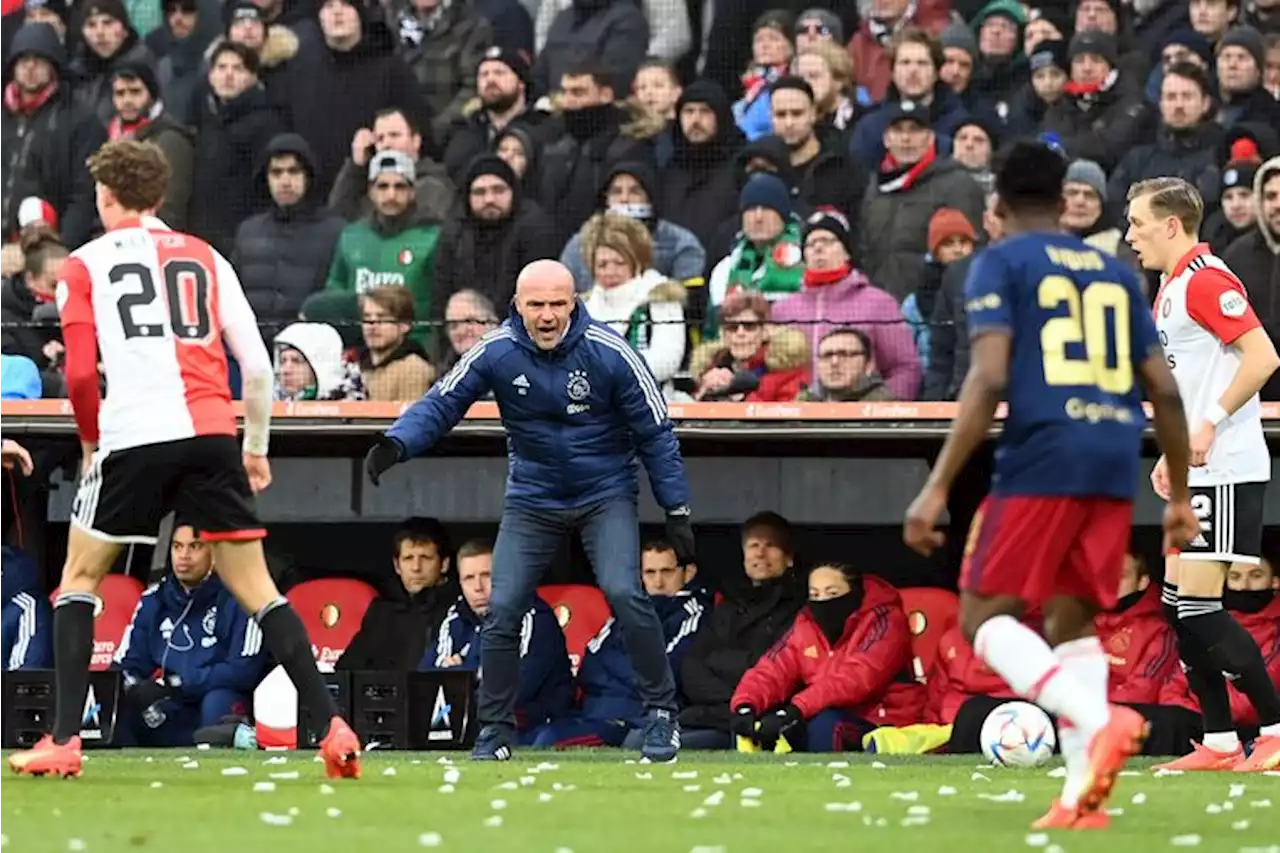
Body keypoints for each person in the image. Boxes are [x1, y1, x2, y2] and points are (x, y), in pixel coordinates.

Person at [5, 140, 361, 781]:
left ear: (106, 197)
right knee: (258, 589)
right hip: (209, 433)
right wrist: (254, 447)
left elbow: (82, 373)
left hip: (134, 435)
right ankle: (333, 726)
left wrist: (89, 440)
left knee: (79, 580)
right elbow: (256, 366)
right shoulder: (207, 256)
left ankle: (63, 740)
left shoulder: (82, 265)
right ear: (161, 197)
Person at [902, 141, 1200, 829]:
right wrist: (1180, 497)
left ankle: (1099, 719)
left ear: (996, 207)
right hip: (1111, 456)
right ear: (1065, 197)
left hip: (1043, 455)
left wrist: (938, 484)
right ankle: (1081, 795)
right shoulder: (1115, 272)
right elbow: (1164, 390)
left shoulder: (998, 261)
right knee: (1070, 617)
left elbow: (986, 376)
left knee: (981, 616)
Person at [363, 258, 694, 764]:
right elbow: (443, 401)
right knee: (502, 607)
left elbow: (656, 432)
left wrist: (677, 509)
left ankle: (662, 716)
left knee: (627, 592)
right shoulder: (496, 350)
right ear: (517, 305)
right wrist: (396, 444)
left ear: (574, 303)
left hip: (605, 494)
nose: (545, 315)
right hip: (533, 498)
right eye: (535, 304)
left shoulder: (611, 352)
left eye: (556, 304)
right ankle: (494, 732)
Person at [1125, 176, 1280, 772]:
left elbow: (1263, 356)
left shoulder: (1205, 280)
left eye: (1138, 223)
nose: (1131, 234)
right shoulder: (1169, 286)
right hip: (1197, 468)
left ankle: (1272, 727)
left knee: (1200, 610)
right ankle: (1218, 741)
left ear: (1170, 225)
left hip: (1227, 467)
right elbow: (1195, 380)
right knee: (1175, 605)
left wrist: (1209, 425)